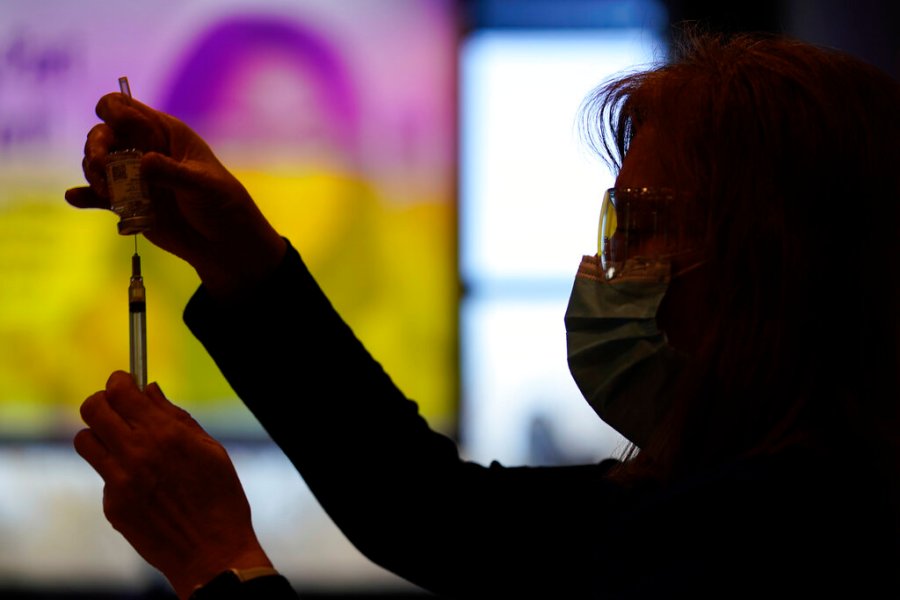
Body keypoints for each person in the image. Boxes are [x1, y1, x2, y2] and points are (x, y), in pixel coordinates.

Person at [66, 29, 899, 599]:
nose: (608, 270)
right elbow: (439, 516)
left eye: (642, 226)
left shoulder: (784, 543)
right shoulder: (717, 492)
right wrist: (242, 259)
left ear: (768, 265)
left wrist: (222, 568)